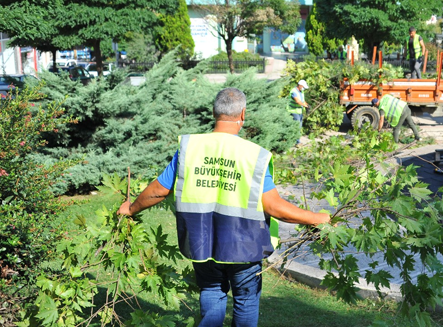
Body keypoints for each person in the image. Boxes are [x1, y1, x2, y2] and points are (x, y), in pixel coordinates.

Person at [117, 88, 330, 327]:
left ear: (214, 113)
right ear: (243, 114)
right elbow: (274, 207)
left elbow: (158, 190)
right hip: (244, 246)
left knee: (211, 292)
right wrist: (316, 218)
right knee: (245, 301)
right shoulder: (253, 155)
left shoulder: (191, 147)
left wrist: (131, 209)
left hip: (201, 241)